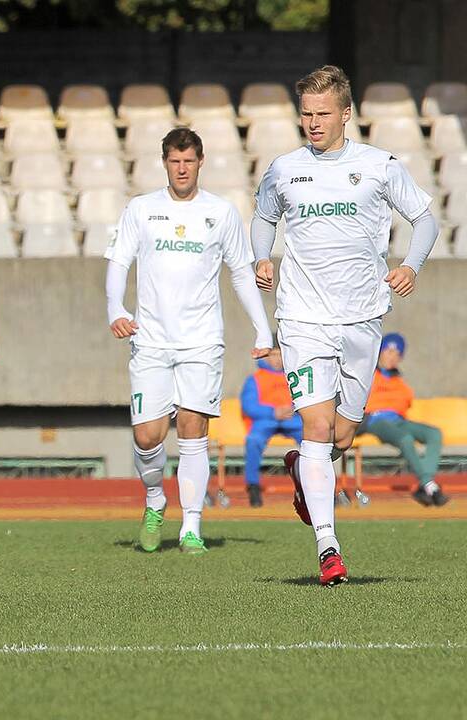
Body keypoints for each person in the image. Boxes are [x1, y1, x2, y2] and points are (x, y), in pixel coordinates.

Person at [253, 65, 438, 585]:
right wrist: (260, 256)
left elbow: (424, 219)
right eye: (306, 114)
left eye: (322, 114)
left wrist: (410, 265)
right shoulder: (284, 168)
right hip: (303, 317)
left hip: (362, 318)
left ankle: (301, 471)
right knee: (315, 427)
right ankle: (328, 549)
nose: (312, 123)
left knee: (342, 435)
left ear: (345, 114)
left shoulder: (379, 166)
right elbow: (263, 217)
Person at [107, 127, 274, 556]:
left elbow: (240, 272)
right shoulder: (142, 209)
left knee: (192, 430)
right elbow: (119, 260)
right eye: (174, 161)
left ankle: (191, 527)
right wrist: (116, 310)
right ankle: (154, 499)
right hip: (151, 340)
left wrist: (262, 328)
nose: (182, 168)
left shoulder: (220, 213)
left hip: (202, 341)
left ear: (201, 162)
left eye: (189, 161)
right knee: (147, 436)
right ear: (164, 163)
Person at [361, 333, 450, 507]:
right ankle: (429, 485)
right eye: (388, 351)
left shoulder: (399, 381)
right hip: (375, 420)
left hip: (399, 420)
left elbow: (406, 401)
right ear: (380, 352)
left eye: (397, 353)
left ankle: (424, 485)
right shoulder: (369, 374)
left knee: (434, 433)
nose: (392, 356)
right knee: (405, 438)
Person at [239, 346, 302, 507]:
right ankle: (253, 486)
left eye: (281, 355)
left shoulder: (294, 376)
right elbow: (248, 406)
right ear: (266, 357)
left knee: (314, 440)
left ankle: (315, 484)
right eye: (274, 355)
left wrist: (293, 409)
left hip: (292, 419)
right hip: (265, 420)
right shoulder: (255, 379)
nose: (277, 359)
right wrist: (272, 412)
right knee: (253, 440)